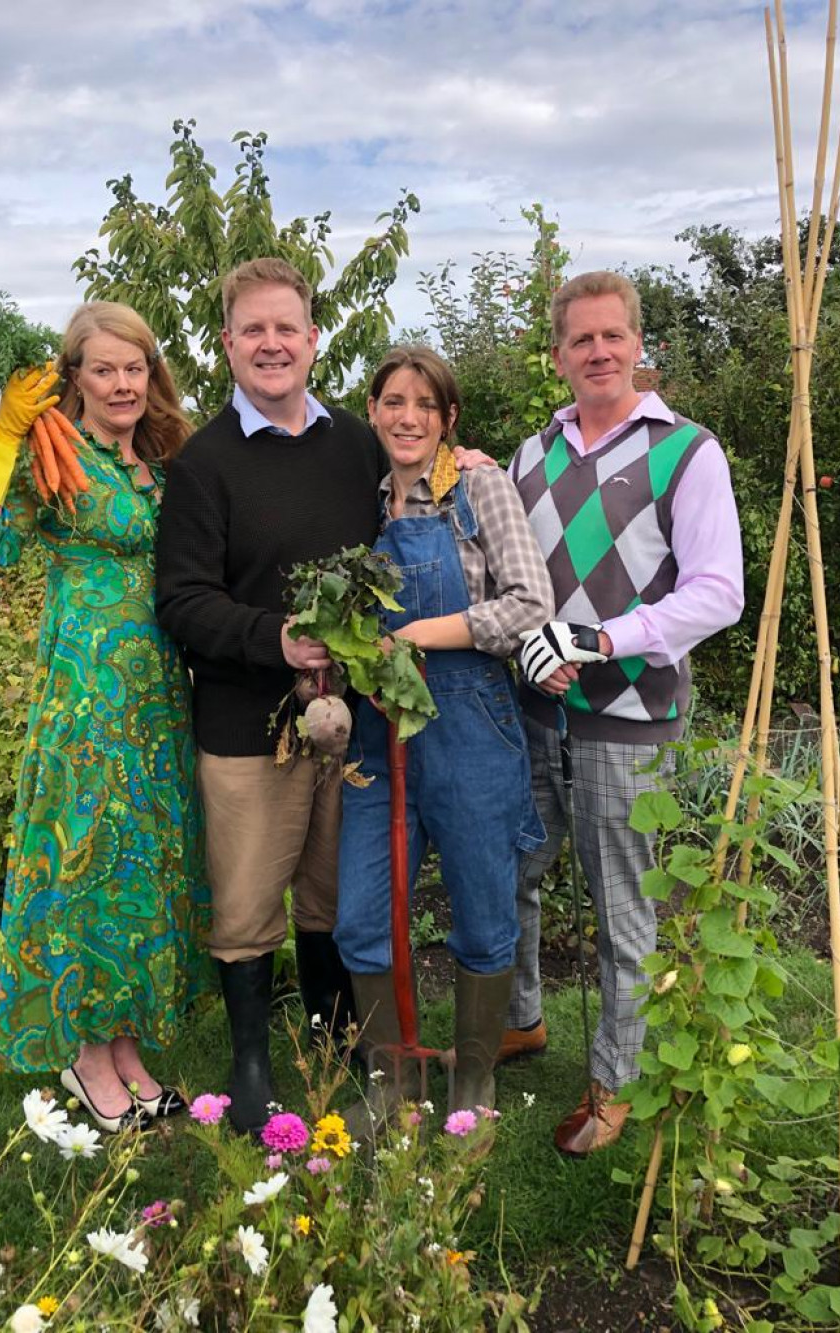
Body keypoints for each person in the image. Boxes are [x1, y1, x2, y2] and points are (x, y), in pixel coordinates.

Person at [154, 259, 489, 1134]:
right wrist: (274, 639)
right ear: (227, 343)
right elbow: (182, 600)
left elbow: (419, 476)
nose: (272, 344)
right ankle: (254, 1060)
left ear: (312, 339)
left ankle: (334, 1038)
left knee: (334, 892)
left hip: (357, 720)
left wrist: (465, 461)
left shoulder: (352, 441)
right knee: (247, 900)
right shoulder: (204, 464)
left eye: (287, 328)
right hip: (247, 723)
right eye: (253, 329)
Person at [0, 302, 209, 1133]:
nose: (122, 383)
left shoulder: (160, 459)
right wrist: (3, 439)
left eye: (135, 367)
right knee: (82, 867)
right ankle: (82, 1055)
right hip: (84, 702)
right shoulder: (55, 458)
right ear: (73, 377)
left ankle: (123, 1046)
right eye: (104, 368)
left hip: (157, 702)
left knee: (138, 871)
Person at [504, 270, 744, 1152]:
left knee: (620, 909)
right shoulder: (534, 454)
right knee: (518, 876)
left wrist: (598, 642)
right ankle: (523, 1018)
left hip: (630, 717)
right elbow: (516, 573)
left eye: (614, 336)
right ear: (559, 353)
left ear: (641, 343)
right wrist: (537, 640)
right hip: (537, 711)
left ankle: (616, 1079)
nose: (599, 351)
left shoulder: (687, 452)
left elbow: (719, 593)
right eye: (581, 339)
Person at [333, 347, 553, 1123]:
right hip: (380, 734)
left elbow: (531, 600)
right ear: (373, 411)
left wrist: (426, 630)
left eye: (425, 405)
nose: (408, 417)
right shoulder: (364, 507)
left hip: (470, 726)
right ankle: (394, 1081)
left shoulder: (478, 488)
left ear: (448, 419)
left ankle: (473, 1083)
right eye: (393, 401)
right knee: (361, 910)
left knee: (484, 910)